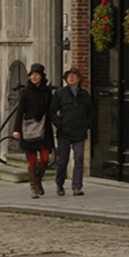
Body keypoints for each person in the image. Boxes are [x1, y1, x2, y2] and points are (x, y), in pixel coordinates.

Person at [49, 66, 94, 196]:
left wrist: (87, 124)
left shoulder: (84, 95)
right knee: (63, 160)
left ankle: (77, 186)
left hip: (79, 132)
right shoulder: (60, 93)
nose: (71, 77)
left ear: (79, 79)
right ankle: (59, 183)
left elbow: (90, 112)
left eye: (74, 75)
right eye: (69, 76)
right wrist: (59, 124)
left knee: (79, 158)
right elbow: (52, 111)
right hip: (64, 132)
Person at [12, 63, 55, 198]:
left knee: (45, 158)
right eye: (32, 75)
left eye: (36, 75)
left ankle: (37, 181)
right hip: (30, 128)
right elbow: (20, 112)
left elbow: (51, 108)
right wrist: (16, 129)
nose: (34, 77)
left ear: (42, 76)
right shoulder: (25, 92)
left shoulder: (47, 91)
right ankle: (33, 188)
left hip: (44, 128)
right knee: (32, 160)